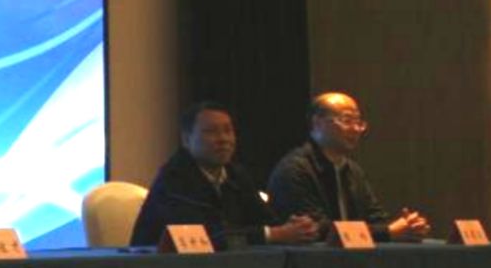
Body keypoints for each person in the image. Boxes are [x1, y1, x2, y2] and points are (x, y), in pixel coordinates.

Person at [127, 101, 319, 247]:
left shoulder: (236, 175)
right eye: (211, 132)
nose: (224, 139)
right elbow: (205, 237)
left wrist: (293, 227)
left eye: (228, 131)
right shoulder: (175, 179)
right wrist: (274, 234)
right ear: (186, 139)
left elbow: (265, 220)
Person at [266, 92, 430, 242]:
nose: (356, 129)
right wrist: (388, 232)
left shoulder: (352, 170)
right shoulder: (294, 170)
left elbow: (375, 218)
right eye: (347, 121)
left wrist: (407, 227)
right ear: (317, 123)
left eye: (358, 122)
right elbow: (319, 229)